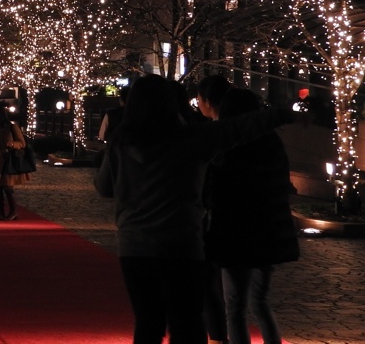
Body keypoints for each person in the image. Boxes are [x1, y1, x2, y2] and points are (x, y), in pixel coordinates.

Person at [94, 74, 293, 344]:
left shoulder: (121, 141)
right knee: (186, 321)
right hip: (181, 243)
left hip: (135, 245)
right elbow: (238, 127)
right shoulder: (191, 138)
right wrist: (283, 114)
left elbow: (105, 187)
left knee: (148, 321)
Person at [205, 88, 299, 344]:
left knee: (234, 306)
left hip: (234, 230)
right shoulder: (271, 141)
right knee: (260, 301)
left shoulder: (227, 144)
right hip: (269, 229)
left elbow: (217, 187)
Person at [197, 74, 233, 344]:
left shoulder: (210, 136)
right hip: (241, 218)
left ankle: (218, 336)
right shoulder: (243, 132)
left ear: (207, 101)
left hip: (215, 219)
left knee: (213, 285)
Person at [0, 103, 28, 220]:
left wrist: (13, 144)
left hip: (11, 160)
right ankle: (1, 212)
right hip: (2, 160)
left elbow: (22, 143)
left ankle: (13, 211)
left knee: (8, 188)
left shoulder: (12, 127)